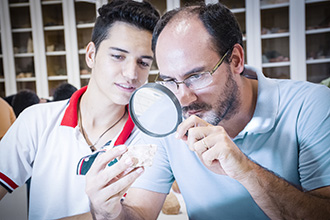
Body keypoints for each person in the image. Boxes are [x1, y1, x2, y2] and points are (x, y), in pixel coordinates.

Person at [84, 2, 330, 220]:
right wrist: (107, 212)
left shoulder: (311, 105)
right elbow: (139, 213)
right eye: (170, 80)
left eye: (196, 76)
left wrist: (246, 171)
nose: (184, 98)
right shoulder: (164, 118)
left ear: (235, 60)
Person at [0, 1, 159, 219]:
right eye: (118, 56)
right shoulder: (37, 121)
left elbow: (138, 216)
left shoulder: (149, 138)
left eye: (143, 63)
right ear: (91, 55)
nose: (132, 74)